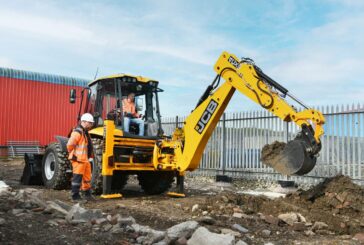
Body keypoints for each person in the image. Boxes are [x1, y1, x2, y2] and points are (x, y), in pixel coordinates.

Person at [66, 113, 95, 202]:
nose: (90, 125)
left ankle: (87, 194)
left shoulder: (85, 132)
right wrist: (75, 155)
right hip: (78, 159)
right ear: (84, 122)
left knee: (87, 178)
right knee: (77, 178)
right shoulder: (78, 132)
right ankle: (75, 196)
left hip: (84, 159)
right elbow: (69, 145)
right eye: (89, 123)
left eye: (91, 123)